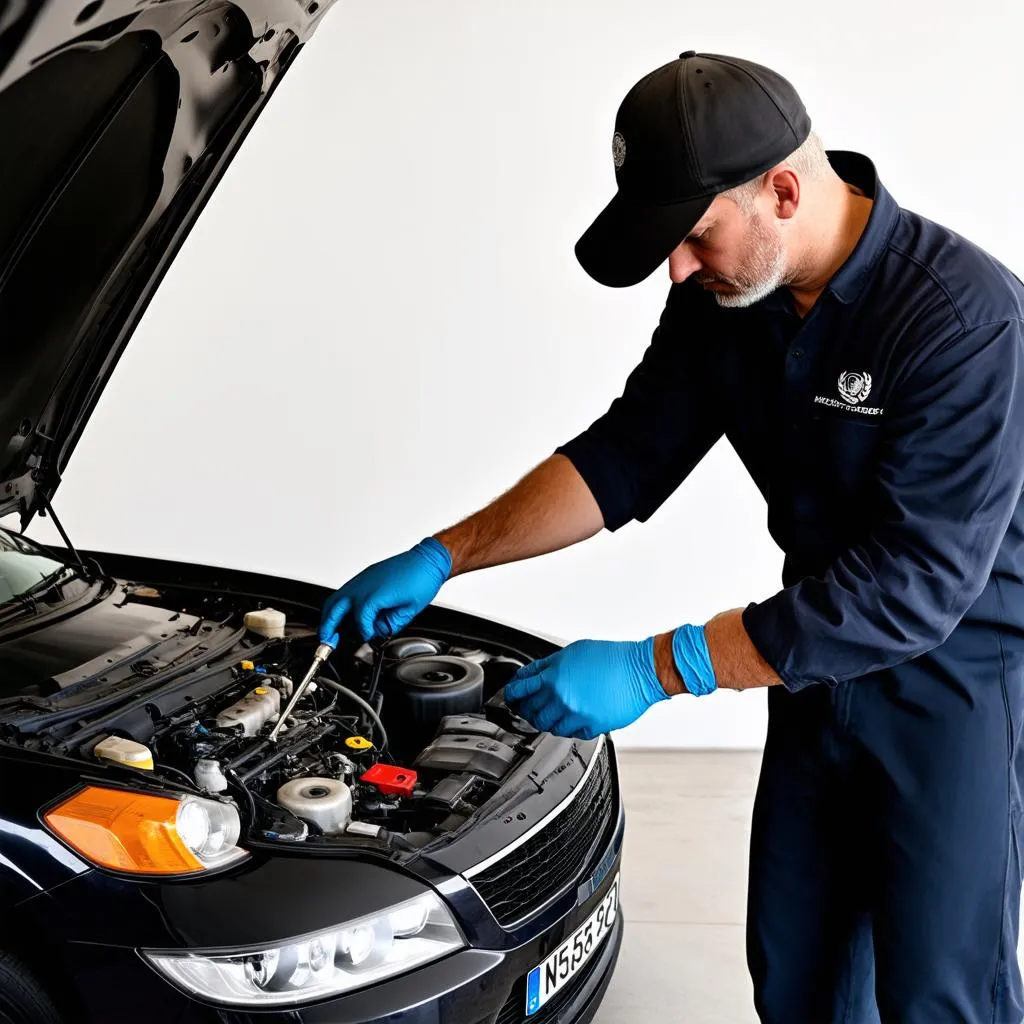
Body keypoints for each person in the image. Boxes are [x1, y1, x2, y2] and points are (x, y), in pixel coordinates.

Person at [319, 51, 1024, 1024]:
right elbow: (626, 452)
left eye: (694, 235)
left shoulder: (961, 320)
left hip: (953, 681)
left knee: (938, 993)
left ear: (783, 190)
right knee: (798, 973)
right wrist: (448, 550)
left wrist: (661, 667)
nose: (678, 267)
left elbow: (912, 585)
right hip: (808, 668)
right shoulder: (726, 302)